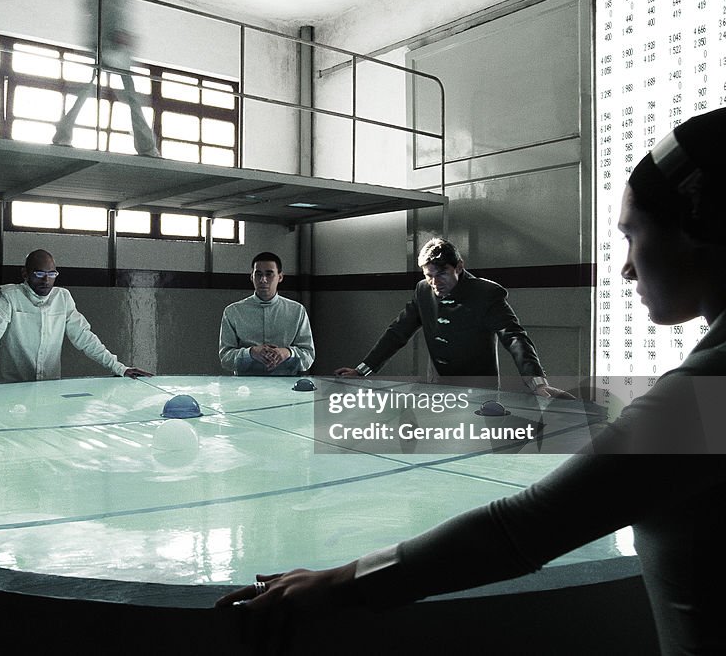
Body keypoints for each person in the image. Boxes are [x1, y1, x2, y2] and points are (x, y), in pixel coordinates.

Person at [216, 108, 726, 653]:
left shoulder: (703, 398)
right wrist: (364, 370)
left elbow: (520, 529)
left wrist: (335, 582)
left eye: (632, 235)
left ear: (702, 227)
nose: (626, 269)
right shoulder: (704, 387)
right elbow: (397, 332)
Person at [334, 237, 567, 396]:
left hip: (479, 390)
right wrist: (362, 371)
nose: (435, 282)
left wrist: (537, 383)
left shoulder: (486, 293)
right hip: (437, 387)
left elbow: (515, 338)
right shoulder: (423, 290)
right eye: (429, 275)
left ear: (459, 267)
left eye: (442, 273)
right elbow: (398, 332)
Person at [0, 249, 151, 387]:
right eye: (39, 274)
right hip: (11, 390)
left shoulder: (63, 297)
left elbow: (85, 338)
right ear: (25, 274)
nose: (46, 280)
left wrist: (120, 368)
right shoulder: (9, 296)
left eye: (51, 274)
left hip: (49, 388)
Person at [51, 0, 160, 157]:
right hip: (113, 36)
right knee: (130, 93)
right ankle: (147, 146)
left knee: (88, 86)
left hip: (99, 32)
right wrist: (120, 30)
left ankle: (63, 133)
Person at [219, 252, 315, 376]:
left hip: (286, 385)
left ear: (280, 277)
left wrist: (287, 353)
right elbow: (225, 358)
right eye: (258, 274)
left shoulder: (297, 311)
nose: (263, 280)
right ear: (251, 277)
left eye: (269, 274)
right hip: (245, 386)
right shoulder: (233, 312)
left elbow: (308, 356)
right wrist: (251, 353)